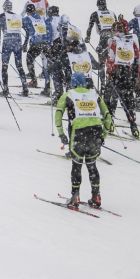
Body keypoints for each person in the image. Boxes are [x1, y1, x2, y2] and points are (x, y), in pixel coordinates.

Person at [53, 70, 111, 209]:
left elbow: (58, 116)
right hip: (95, 132)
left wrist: (62, 135)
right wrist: (103, 135)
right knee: (92, 165)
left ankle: (75, 197)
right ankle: (96, 196)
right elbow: (108, 116)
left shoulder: (68, 95)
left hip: (78, 133)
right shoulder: (94, 95)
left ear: (72, 84)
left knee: (76, 165)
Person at [0, 0, 27, 96]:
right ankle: (25, 87)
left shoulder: (1, 16)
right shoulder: (17, 16)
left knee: (5, 66)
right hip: (17, 41)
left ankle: (5, 89)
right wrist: (25, 43)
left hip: (7, 42)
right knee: (19, 65)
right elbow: (27, 30)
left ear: (4, 7)